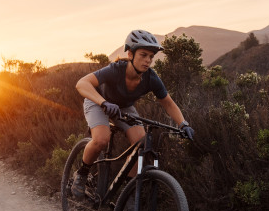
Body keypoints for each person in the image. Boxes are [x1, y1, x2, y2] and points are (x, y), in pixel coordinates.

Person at [72, 29, 195, 197]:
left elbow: (168, 103)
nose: (148, 60)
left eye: (151, 57)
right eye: (143, 55)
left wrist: (183, 123)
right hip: (98, 101)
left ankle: (126, 192)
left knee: (141, 144)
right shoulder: (115, 70)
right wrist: (104, 102)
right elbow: (82, 83)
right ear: (130, 54)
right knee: (101, 139)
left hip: (123, 107)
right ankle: (82, 173)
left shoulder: (151, 78)